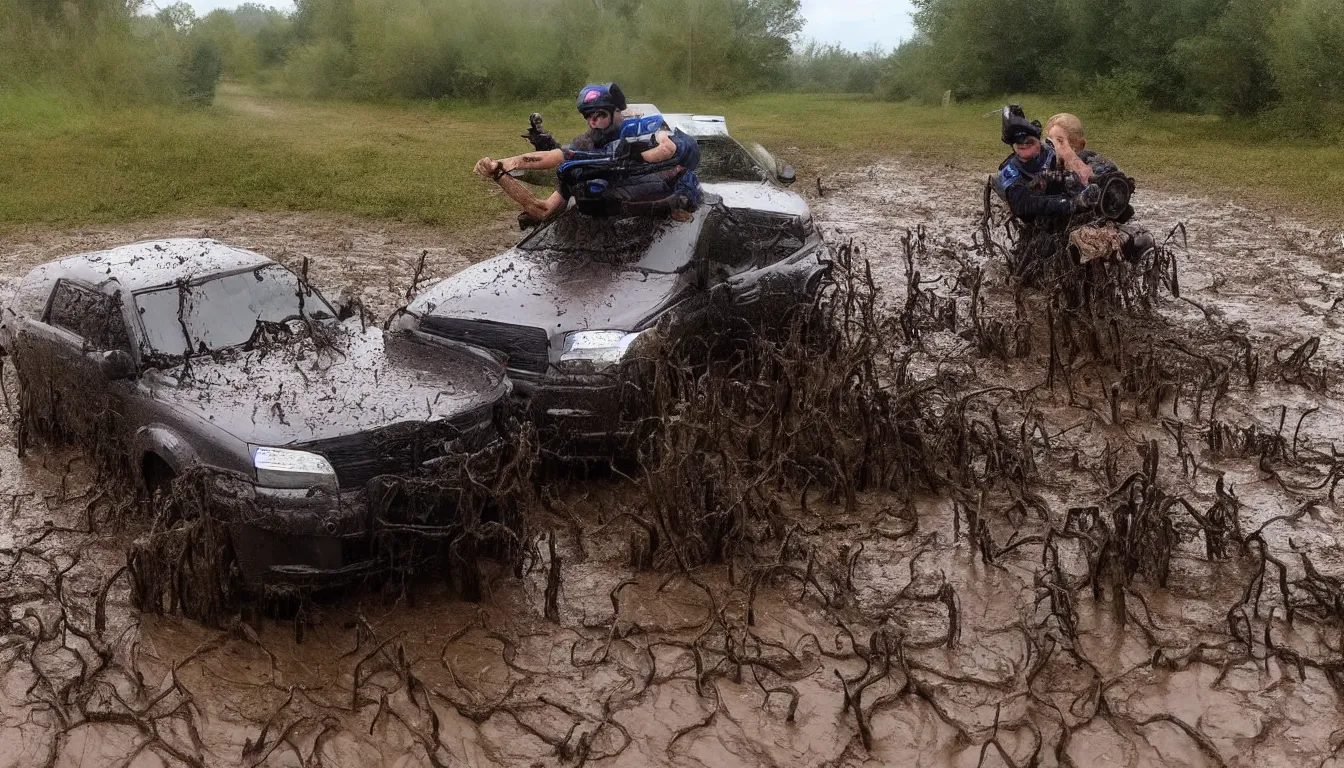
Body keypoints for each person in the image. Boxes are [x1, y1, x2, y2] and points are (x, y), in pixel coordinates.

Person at [473, 83, 692, 222]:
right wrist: (499, 169)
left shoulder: (644, 133)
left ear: (617, 112)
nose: (592, 122)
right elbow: (544, 207)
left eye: (598, 115)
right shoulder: (583, 148)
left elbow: (671, 151)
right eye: (587, 117)